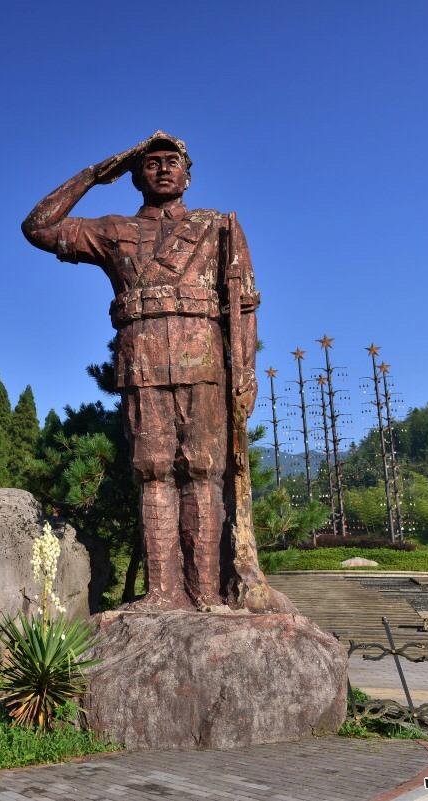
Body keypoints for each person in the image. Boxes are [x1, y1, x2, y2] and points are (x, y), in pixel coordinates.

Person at [22, 131, 290, 613]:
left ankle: (206, 593)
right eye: (150, 163)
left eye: (173, 161)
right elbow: (39, 227)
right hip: (141, 361)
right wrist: (94, 174)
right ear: (133, 176)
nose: (163, 169)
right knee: (153, 472)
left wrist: (245, 373)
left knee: (203, 471)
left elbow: (244, 308)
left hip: (203, 362)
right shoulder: (114, 230)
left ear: (188, 174)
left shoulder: (217, 227)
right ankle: (162, 593)